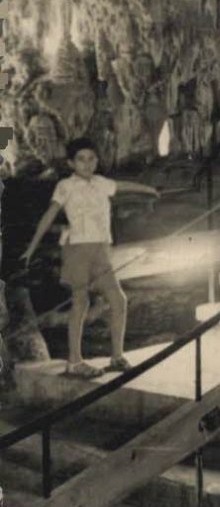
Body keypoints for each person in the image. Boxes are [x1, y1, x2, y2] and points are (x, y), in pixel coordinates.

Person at [21, 137, 159, 379]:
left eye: (91, 158)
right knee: (80, 302)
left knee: (118, 300)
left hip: (101, 249)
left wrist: (149, 190)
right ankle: (75, 361)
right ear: (71, 163)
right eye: (81, 159)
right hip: (77, 248)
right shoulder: (66, 186)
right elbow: (49, 215)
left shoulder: (101, 183)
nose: (87, 164)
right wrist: (31, 248)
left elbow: (123, 186)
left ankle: (117, 356)